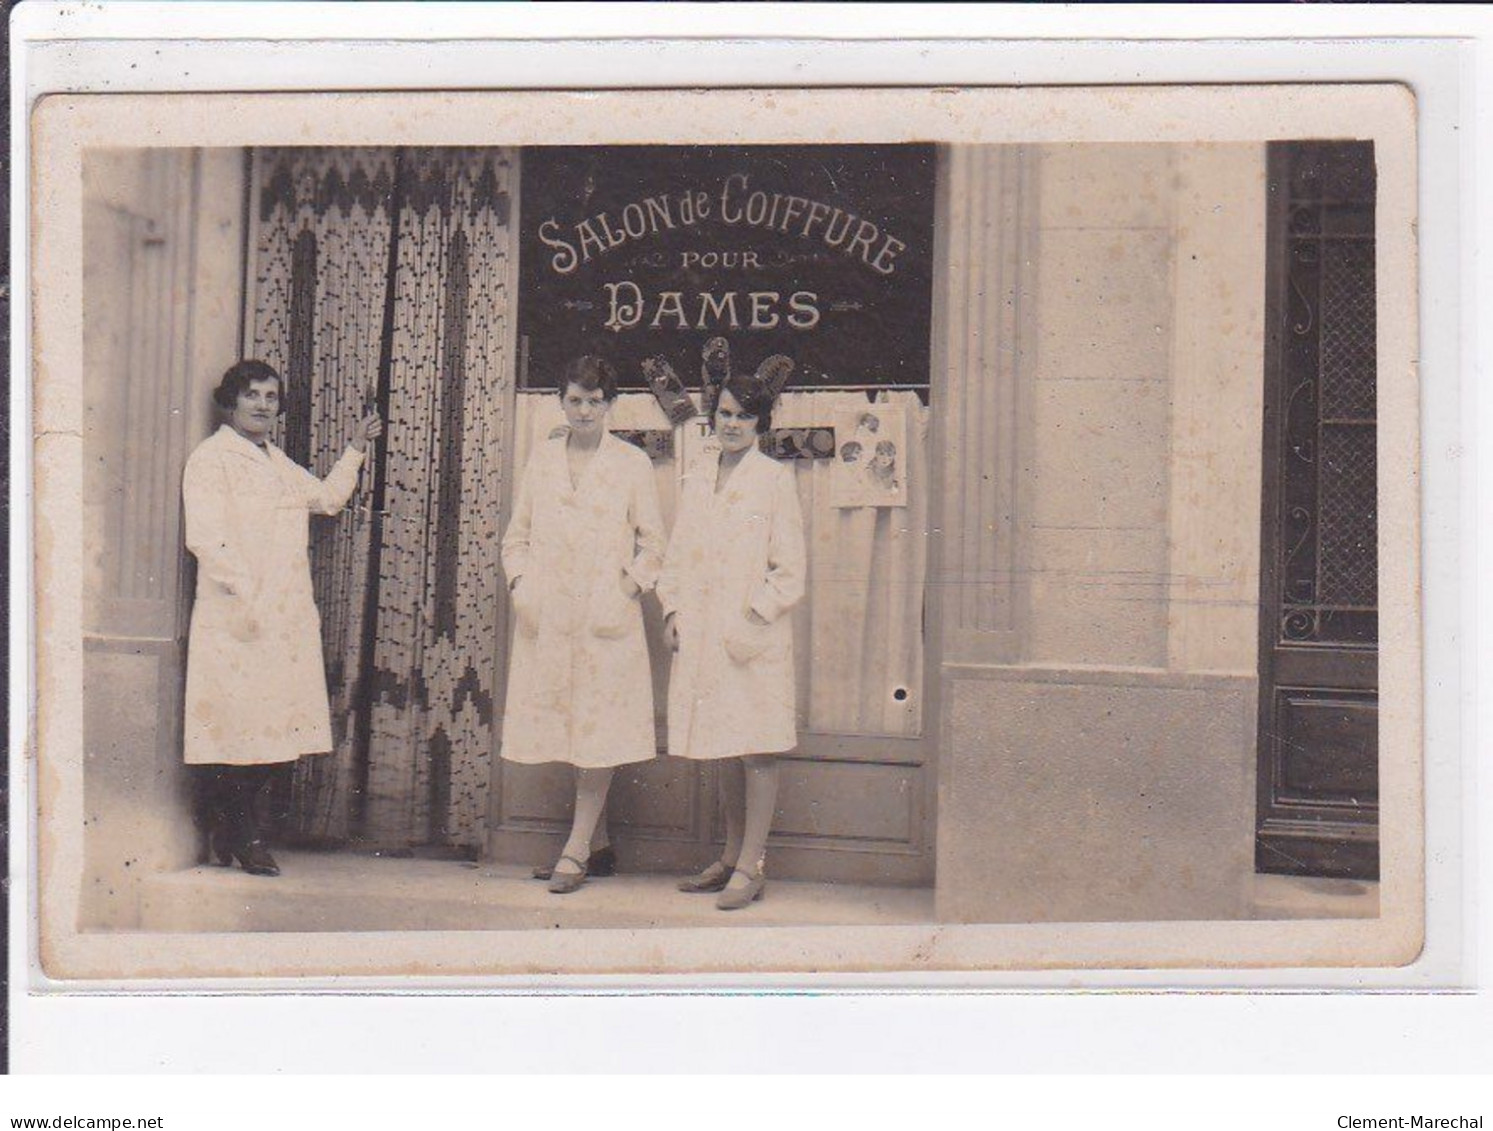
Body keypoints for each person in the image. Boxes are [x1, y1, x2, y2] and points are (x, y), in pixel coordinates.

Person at [183, 359, 382, 877]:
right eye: (252, 395)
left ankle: (230, 825)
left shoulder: (276, 461)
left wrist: (357, 447)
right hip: (238, 617)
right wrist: (250, 594)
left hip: (285, 618)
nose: (262, 405)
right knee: (241, 730)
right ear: (232, 400)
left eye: (271, 397)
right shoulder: (212, 459)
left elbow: (329, 499)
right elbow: (206, 537)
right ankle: (241, 834)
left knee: (283, 734)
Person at [499, 355, 667, 894]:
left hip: (604, 619)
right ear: (561, 402)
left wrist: (624, 591)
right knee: (571, 728)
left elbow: (655, 544)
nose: (585, 410)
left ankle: (574, 848)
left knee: (598, 728)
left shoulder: (631, 463)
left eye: (595, 401)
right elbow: (516, 538)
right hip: (551, 619)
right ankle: (597, 843)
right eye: (575, 399)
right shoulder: (543, 459)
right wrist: (522, 587)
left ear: (611, 405)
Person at [658, 369, 807, 911]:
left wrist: (753, 616)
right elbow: (678, 554)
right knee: (722, 746)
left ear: (760, 423)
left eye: (745, 416)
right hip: (702, 634)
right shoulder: (697, 476)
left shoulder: (773, 479)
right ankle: (728, 856)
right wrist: (672, 608)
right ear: (712, 417)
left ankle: (753, 864)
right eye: (724, 414)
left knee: (757, 749)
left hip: (751, 635)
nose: (733, 424)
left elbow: (790, 571)